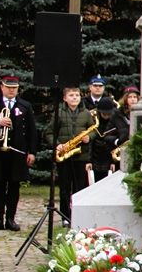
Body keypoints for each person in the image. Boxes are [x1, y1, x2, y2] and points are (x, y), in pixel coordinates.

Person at [0, 73, 37, 231]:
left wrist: (32, 152)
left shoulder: (25, 106)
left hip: (17, 152)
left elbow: (32, 131)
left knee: (15, 186)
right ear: (2, 87)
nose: (11, 91)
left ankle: (10, 219)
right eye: (8, 87)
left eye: (14, 88)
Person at [50, 86, 97, 226]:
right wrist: (57, 145)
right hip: (65, 155)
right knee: (64, 189)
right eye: (71, 95)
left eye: (77, 95)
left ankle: (78, 216)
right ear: (65, 98)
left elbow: (94, 130)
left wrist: (89, 137)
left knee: (79, 188)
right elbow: (49, 132)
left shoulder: (86, 114)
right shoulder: (59, 113)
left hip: (81, 156)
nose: (75, 97)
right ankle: (65, 216)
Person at [109, 85, 139, 172]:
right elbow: (107, 134)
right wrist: (117, 141)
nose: (133, 99)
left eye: (135, 97)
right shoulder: (116, 114)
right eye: (130, 97)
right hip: (122, 151)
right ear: (125, 98)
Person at [89, 97, 119, 180]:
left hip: (109, 159)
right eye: (104, 114)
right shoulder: (94, 122)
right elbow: (90, 143)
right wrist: (89, 161)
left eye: (108, 114)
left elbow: (116, 144)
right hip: (95, 158)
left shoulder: (115, 122)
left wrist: (113, 162)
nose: (106, 117)